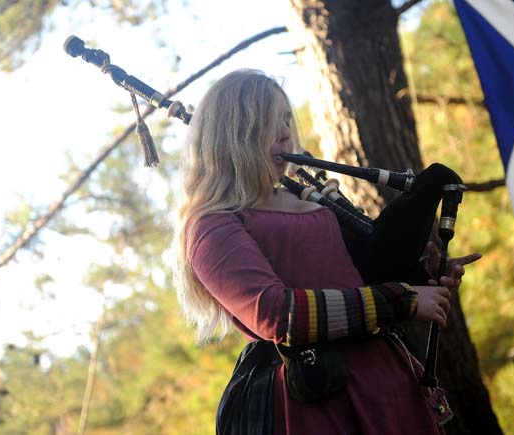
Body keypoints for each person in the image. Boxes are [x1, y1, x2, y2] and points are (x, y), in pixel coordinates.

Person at [173, 69, 481, 435]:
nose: (287, 132)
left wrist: (421, 276)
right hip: (319, 401)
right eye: (272, 122)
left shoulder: (306, 199)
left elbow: (360, 276)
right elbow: (276, 315)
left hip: (391, 382)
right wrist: (402, 300)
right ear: (236, 132)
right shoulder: (211, 225)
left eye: (287, 119)